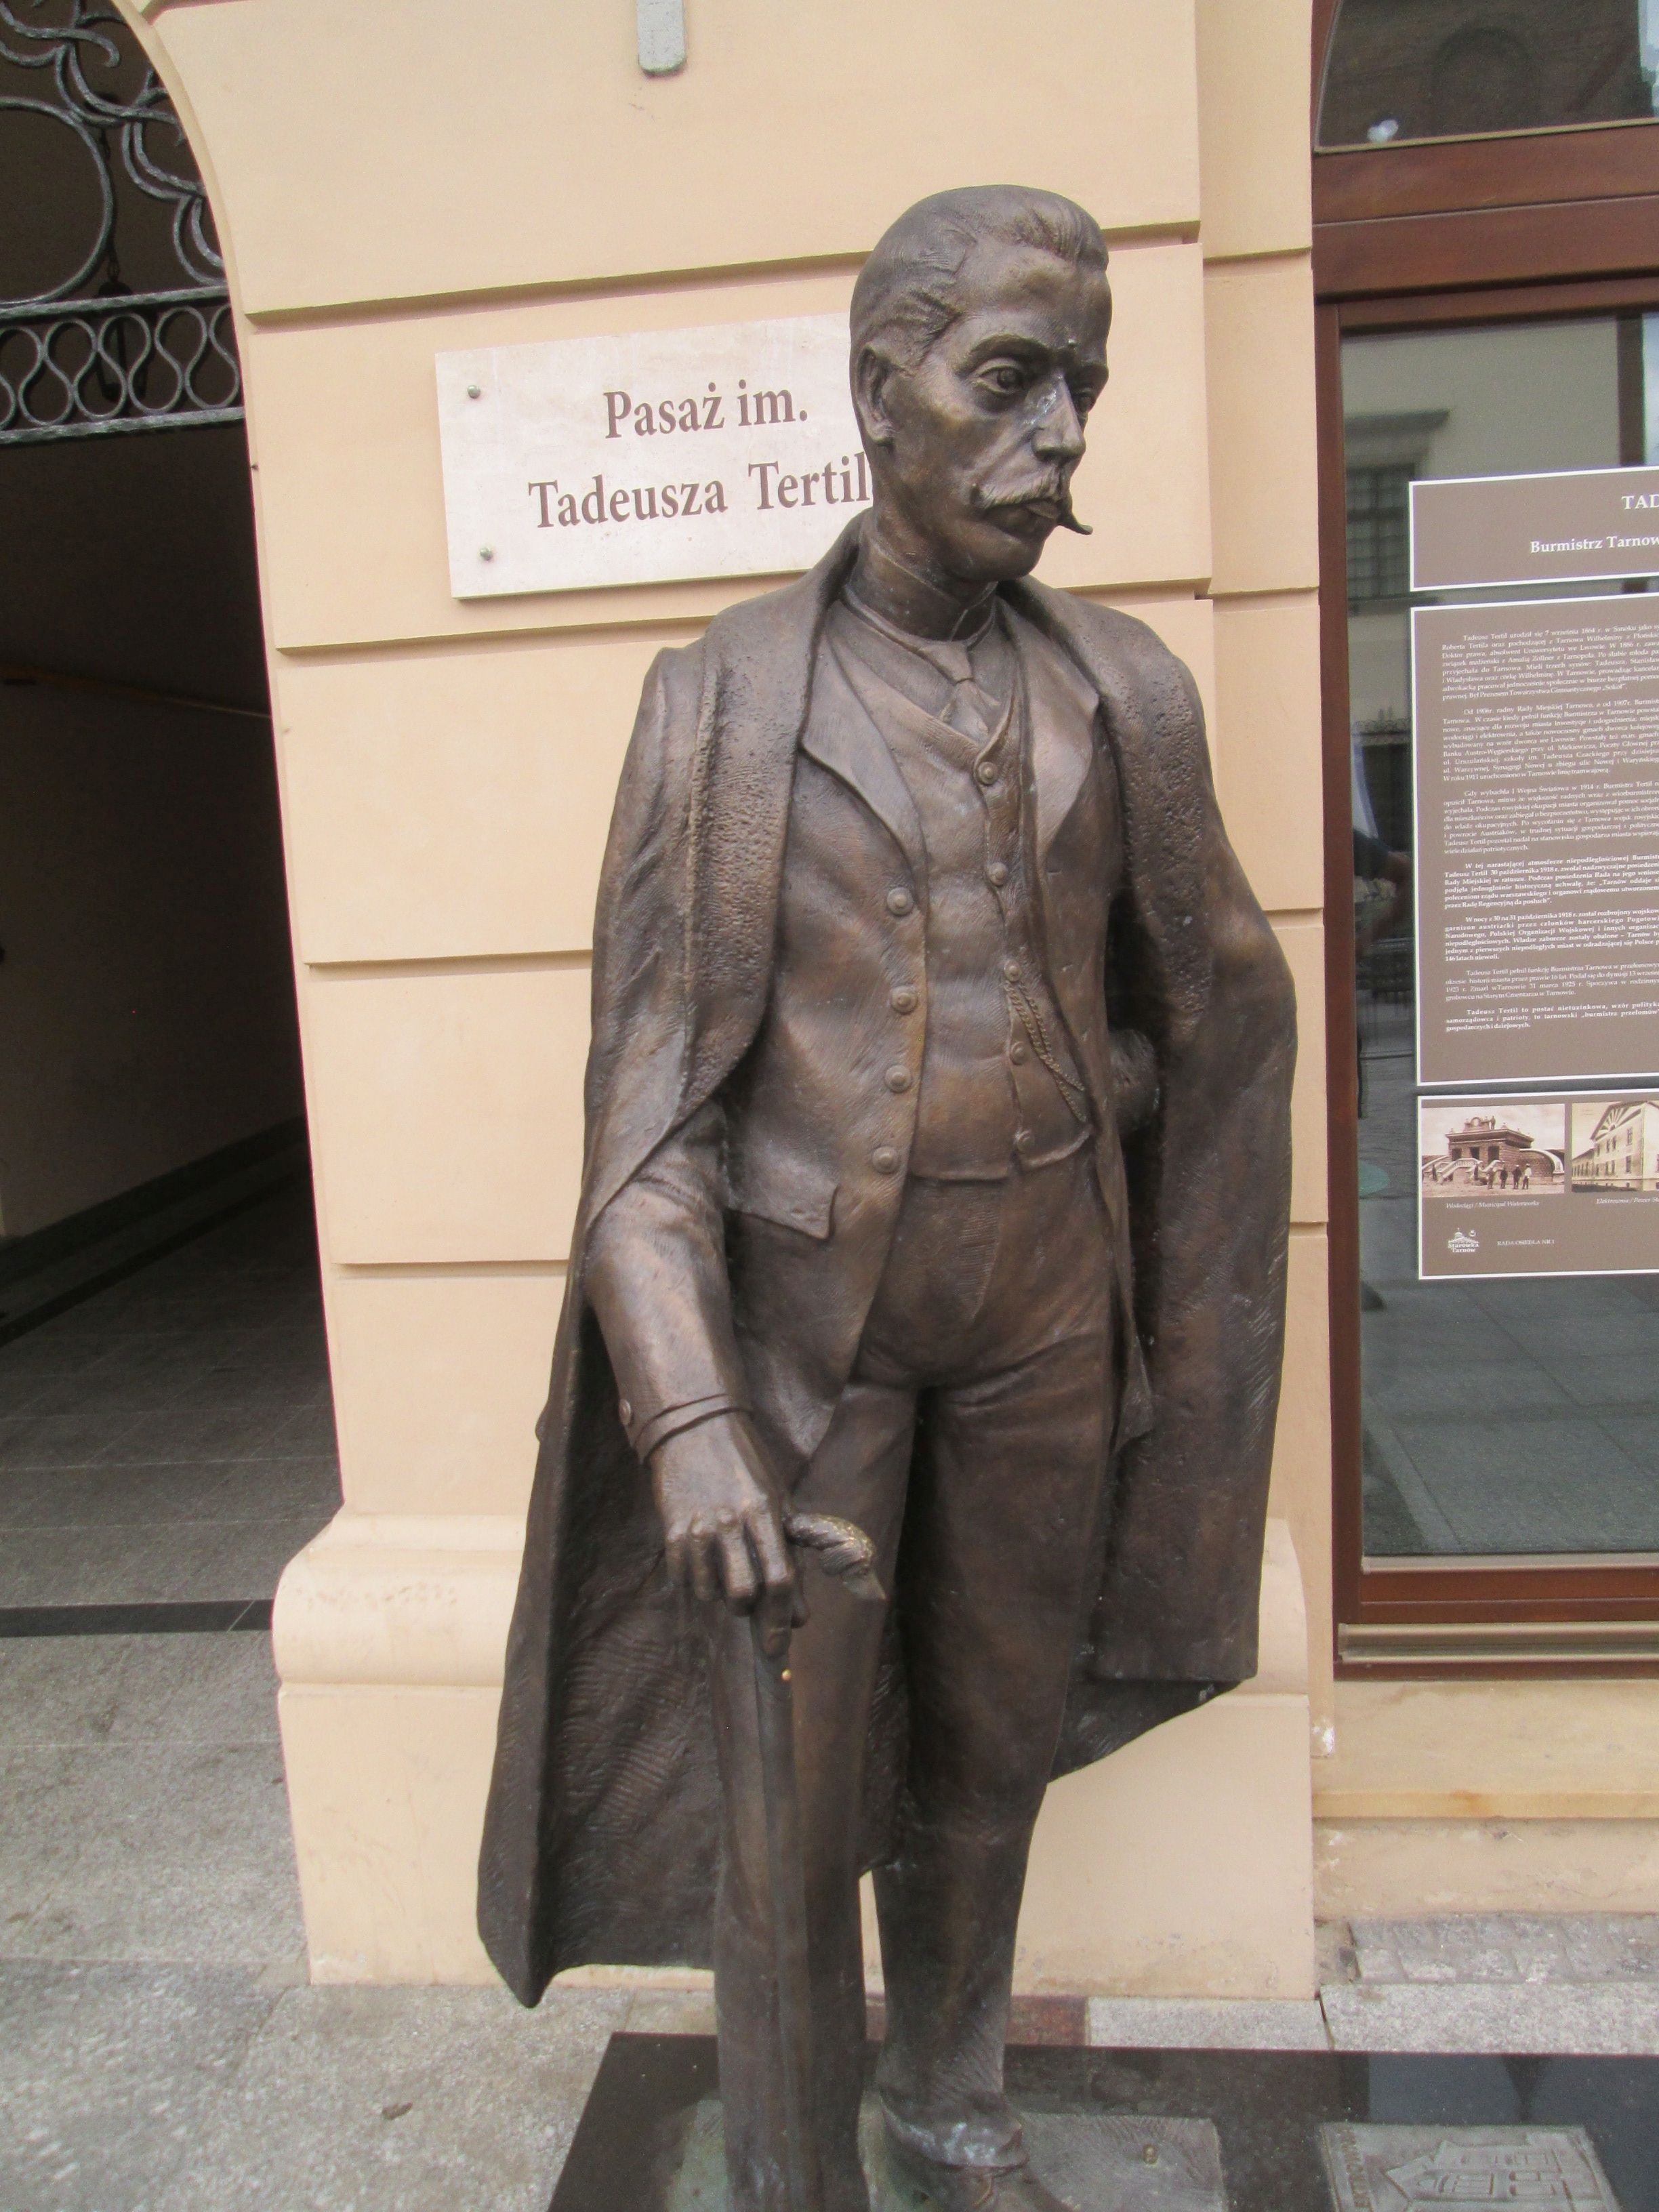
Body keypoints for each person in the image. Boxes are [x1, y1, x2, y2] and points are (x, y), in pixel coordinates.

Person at [478, 186, 1296, 2212]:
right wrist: (685, 1417)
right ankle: (789, 2175)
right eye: (1009, 379)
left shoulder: (1127, 693)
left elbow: (1218, 1010)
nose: (1059, 432)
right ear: (880, 393)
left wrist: (1146, 1235)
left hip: (1046, 1326)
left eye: (1080, 386)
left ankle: (948, 2103)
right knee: (788, 1806)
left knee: (992, 1756)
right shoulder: (721, 701)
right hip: (800, 1358)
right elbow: (641, 1121)